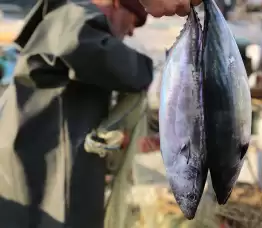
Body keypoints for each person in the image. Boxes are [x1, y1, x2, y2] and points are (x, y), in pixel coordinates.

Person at [0, 0, 202, 227]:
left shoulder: (77, 25)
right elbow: (80, 45)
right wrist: (156, 77)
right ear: (116, 4)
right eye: (135, 20)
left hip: (44, 169)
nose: (133, 31)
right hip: (40, 178)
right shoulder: (72, 14)